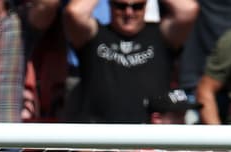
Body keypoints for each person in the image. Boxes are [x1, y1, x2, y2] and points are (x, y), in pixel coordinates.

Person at [63, 0, 200, 124]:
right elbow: (75, 12)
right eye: (121, 6)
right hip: (97, 137)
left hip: (146, 139)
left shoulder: (161, 35)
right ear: (110, 5)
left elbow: (188, 10)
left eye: (137, 6)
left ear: (146, 6)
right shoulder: (95, 34)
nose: (129, 12)